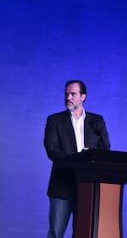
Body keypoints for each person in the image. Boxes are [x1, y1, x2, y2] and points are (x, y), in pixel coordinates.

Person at [44, 80, 111, 238]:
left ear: (83, 97)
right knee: (55, 232)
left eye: (73, 94)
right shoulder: (55, 120)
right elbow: (52, 150)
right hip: (62, 185)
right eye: (66, 94)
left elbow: (105, 149)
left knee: (83, 233)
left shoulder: (96, 121)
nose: (68, 97)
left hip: (88, 187)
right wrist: (78, 163)